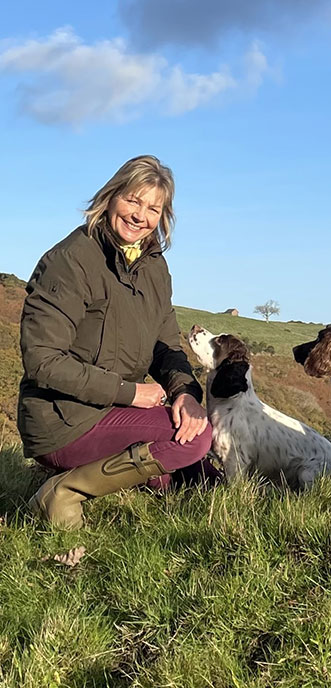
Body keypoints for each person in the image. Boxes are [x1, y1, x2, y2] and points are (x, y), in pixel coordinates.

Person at [18, 155, 212, 529]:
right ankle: (63, 492)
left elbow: (166, 343)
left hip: (112, 410)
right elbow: (42, 360)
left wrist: (186, 393)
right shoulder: (71, 260)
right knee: (193, 443)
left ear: (164, 217)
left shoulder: (153, 266)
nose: (141, 215)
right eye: (133, 201)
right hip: (63, 418)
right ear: (110, 196)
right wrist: (129, 393)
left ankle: (145, 477)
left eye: (154, 208)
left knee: (197, 458)